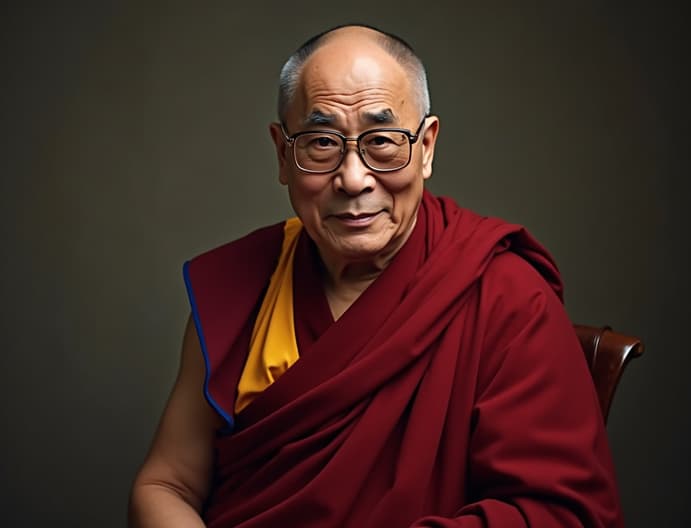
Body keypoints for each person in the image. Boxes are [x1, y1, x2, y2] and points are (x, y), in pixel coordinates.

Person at [129, 24, 624, 527]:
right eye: (321, 142)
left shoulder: (507, 298)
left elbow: (560, 516)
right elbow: (166, 484)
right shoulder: (240, 290)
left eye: (383, 141)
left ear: (426, 147)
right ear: (283, 154)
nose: (353, 177)